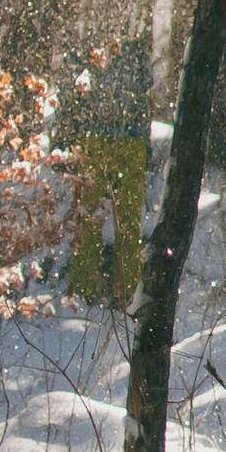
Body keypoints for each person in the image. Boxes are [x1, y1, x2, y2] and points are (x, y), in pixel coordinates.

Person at [65, 36, 149, 305]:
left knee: (92, 214)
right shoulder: (138, 41)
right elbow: (146, 86)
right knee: (124, 219)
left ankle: (88, 287)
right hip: (126, 136)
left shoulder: (95, 35)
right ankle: (124, 291)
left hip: (103, 136)